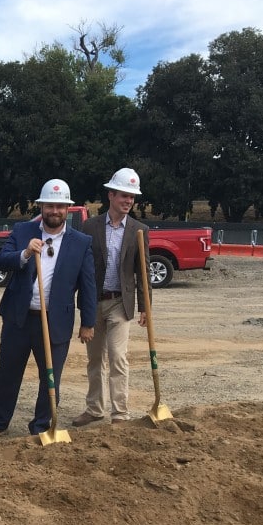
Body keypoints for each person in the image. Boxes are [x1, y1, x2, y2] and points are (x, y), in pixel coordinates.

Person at [0, 179, 96, 441]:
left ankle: (41, 425)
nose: (54, 211)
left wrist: (88, 322)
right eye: (49, 205)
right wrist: (24, 254)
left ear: (67, 209)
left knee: (50, 377)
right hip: (19, 318)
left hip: (55, 320)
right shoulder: (23, 231)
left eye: (60, 206)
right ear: (41, 206)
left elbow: (88, 285)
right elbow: (1, 259)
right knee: (8, 372)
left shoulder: (81, 242)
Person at [72, 168, 150, 427]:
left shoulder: (139, 230)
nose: (128, 201)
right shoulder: (90, 226)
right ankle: (94, 408)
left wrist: (145, 306)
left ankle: (120, 414)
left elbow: (143, 270)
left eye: (132, 197)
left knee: (118, 357)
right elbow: (81, 268)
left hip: (120, 303)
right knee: (95, 359)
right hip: (94, 302)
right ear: (111, 195)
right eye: (124, 196)